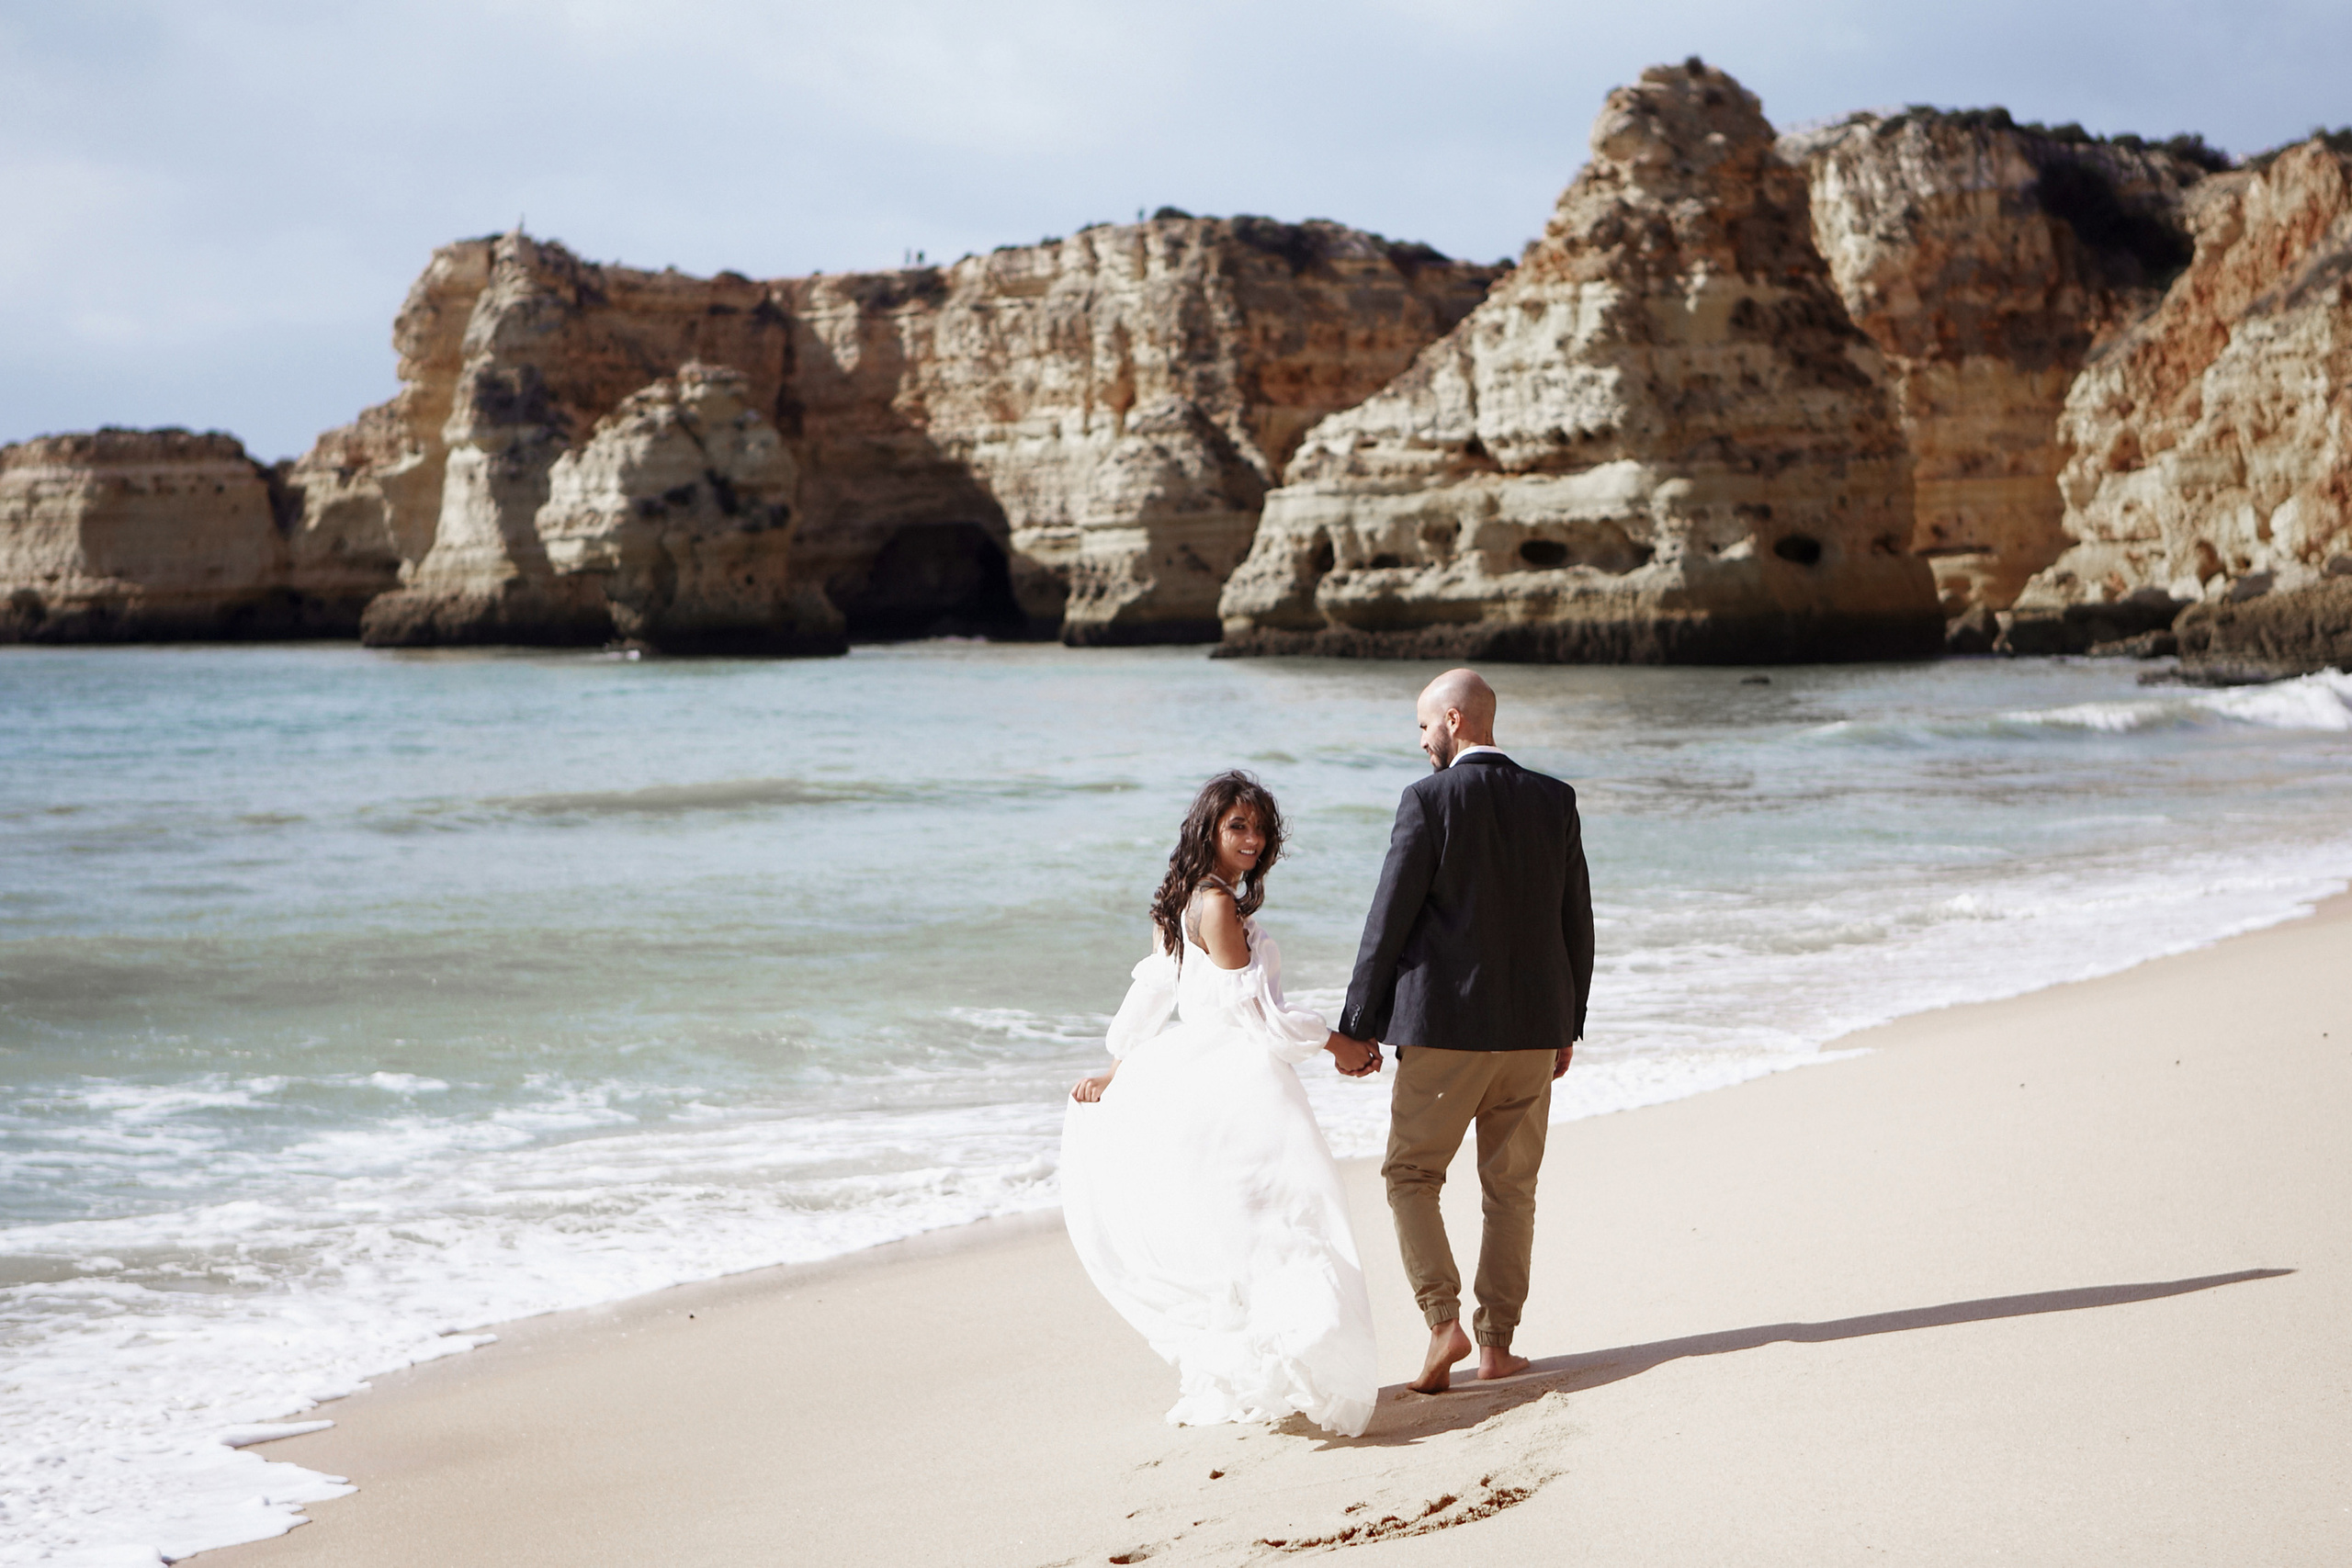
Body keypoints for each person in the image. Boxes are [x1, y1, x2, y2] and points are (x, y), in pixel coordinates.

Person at [1061, 770, 1382, 1437]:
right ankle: (1307, 1364)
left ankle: (1270, 1370)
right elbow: (1258, 1015)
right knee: (1291, 1216)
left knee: (1248, 1230)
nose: (1253, 839)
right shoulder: (1216, 907)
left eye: (1260, 828)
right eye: (1238, 825)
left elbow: (1156, 993)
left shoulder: (1182, 901)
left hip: (1204, 1081)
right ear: (1207, 827)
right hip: (1242, 1084)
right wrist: (1336, 1043)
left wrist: (1121, 1066)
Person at [1335, 669, 1594, 1394]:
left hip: (1445, 1029)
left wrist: (1358, 1026)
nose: (1422, 743)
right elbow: (1577, 921)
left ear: (1454, 719)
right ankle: (1498, 1346)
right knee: (1511, 1191)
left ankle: (1442, 1317)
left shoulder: (1428, 800)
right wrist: (1565, 1024)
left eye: (1423, 728)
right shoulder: (1554, 798)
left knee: (1410, 1175)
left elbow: (1387, 919)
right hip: (1532, 1033)